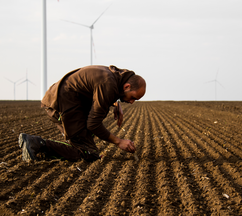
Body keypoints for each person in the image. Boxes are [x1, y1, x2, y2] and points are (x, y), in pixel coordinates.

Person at [18, 65, 146, 162]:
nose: (131, 102)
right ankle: (37, 144)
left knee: (85, 145)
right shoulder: (108, 84)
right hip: (62, 105)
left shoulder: (114, 77)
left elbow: (98, 90)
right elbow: (93, 124)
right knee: (87, 154)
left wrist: (115, 103)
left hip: (64, 101)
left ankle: (38, 147)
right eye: (133, 97)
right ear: (127, 86)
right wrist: (119, 141)